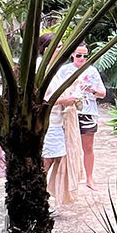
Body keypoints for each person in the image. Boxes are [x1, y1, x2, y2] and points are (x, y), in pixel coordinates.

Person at [40, 34, 84, 207]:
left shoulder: (54, 69)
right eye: (58, 46)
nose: (61, 49)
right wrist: (65, 100)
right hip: (49, 123)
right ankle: (38, 197)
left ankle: (45, 196)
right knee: (48, 160)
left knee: (57, 159)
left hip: (58, 122)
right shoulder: (41, 69)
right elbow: (41, 100)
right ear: (46, 49)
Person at [56, 44, 107, 189]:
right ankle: (65, 179)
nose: (82, 58)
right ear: (73, 54)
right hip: (69, 112)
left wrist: (92, 90)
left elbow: (102, 93)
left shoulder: (92, 71)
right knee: (65, 147)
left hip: (87, 112)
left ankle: (89, 178)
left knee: (88, 147)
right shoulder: (64, 70)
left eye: (85, 56)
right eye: (79, 55)